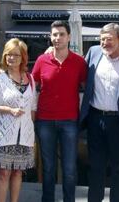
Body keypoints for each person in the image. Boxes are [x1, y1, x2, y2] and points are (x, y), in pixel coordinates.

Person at [79, 23, 119, 202]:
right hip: (95, 118)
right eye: (102, 40)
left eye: (109, 39)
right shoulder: (93, 52)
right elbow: (78, 71)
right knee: (95, 168)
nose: (105, 43)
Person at [32, 20, 87, 202]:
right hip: (45, 121)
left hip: (69, 121)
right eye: (54, 34)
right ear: (50, 37)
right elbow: (31, 87)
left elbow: (88, 88)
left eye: (61, 34)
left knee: (70, 168)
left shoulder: (79, 62)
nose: (57, 38)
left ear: (69, 37)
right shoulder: (42, 60)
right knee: (48, 168)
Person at [0, 38, 37, 202]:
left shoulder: (31, 79)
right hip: (3, 135)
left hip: (24, 136)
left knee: (17, 172)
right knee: (3, 173)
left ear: (23, 57)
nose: (11, 58)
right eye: (8, 55)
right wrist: (9, 110)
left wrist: (31, 131)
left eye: (15, 55)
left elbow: (33, 107)